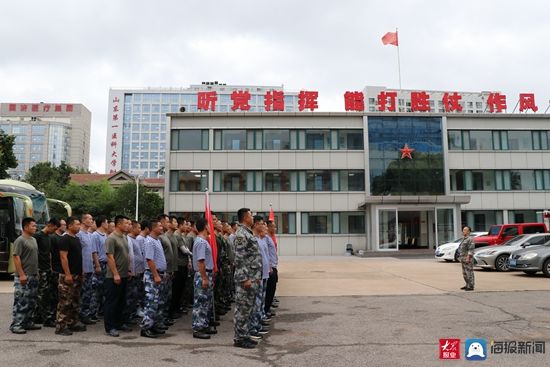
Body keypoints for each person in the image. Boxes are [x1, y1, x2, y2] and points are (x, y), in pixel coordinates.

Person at [233, 208, 263, 349]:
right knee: (242, 310)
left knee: (248, 309)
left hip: (252, 278)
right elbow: (240, 259)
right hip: (245, 280)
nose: (253, 217)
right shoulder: (241, 234)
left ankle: (244, 335)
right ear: (245, 217)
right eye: (251, 215)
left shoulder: (247, 233)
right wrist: (245, 278)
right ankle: (239, 338)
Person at [56, 216, 87, 336]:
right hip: (67, 275)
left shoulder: (76, 239)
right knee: (65, 301)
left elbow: (78, 257)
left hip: (77, 275)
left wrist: (81, 272)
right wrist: (67, 274)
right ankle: (61, 326)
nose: (79, 226)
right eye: (77, 224)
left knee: (75, 301)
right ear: (70, 226)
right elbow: (63, 257)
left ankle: (73, 322)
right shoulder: (65, 239)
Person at [10, 217, 40, 334]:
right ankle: (16, 324)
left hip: (33, 275)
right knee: (21, 301)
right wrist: (22, 274)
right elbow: (16, 257)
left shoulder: (33, 239)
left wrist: (36, 272)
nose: (35, 227)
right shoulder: (20, 240)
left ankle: (27, 322)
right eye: (33, 226)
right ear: (26, 227)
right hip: (23, 276)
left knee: (31, 301)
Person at [104, 215, 131, 337]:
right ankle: (110, 327)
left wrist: (128, 270)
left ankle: (119, 323)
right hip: (113, 276)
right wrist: (115, 274)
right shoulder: (111, 238)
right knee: (112, 302)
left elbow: (126, 255)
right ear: (118, 224)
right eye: (125, 223)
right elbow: (110, 257)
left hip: (124, 274)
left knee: (121, 301)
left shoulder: (124, 237)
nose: (127, 225)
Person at [140, 220, 167, 338]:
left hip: (159, 274)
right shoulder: (149, 241)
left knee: (158, 302)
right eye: (160, 225)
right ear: (153, 228)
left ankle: (154, 325)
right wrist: (155, 275)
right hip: (152, 275)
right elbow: (149, 259)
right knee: (151, 302)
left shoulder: (157, 240)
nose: (162, 227)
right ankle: (146, 328)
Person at [191, 217, 216, 339]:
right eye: (209, 225)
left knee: (206, 302)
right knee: (200, 303)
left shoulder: (204, 241)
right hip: (203, 274)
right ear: (206, 227)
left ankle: (204, 324)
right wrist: (204, 278)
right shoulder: (201, 242)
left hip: (207, 273)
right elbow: (201, 262)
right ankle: (198, 328)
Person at [33, 218, 59, 327]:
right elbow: (35, 253)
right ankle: (45, 318)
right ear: (49, 225)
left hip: (48, 268)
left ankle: (40, 317)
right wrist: (37, 269)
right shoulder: (38, 236)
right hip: (41, 269)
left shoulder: (49, 237)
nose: (54, 231)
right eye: (54, 228)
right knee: (42, 295)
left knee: (47, 294)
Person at [250, 216, 271, 339]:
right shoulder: (254, 240)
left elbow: (265, 256)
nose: (264, 227)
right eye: (262, 224)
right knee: (256, 302)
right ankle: (254, 326)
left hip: (263, 274)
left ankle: (258, 324)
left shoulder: (261, 239)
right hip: (257, 275)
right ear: (257, 225)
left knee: (260, 301)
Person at [77, 213, 98, 325]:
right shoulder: (79, 235)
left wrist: (97, 265)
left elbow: (94, 252)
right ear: (83, 220)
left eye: (91, 218)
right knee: (80, 293)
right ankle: (78, 316)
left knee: (88, 293)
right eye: (89, 219)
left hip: (90, 269)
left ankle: (85, 315)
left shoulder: (90, 235)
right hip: (82, 269)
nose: (91, 220)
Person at [125, 220, 144, 325]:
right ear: (133, 228)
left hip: (138, 272)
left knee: (136, 295)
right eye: (138, 228)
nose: (140, 230)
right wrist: (131, 270)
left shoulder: (136, 239)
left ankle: (133, 314)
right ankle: (128, 317)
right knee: (130, 295)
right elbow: (130, 256)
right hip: (133, 272)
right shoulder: (129, 239)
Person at [158, 214, 175, 327]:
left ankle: (164, 317)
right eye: (167, 222)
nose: (168, 224)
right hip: (162, 272)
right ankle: (160, 319)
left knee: (167, 296)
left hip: (168, 271)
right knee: (161, 297)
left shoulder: (165, 236)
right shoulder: (159, 237)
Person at [91, 216, 109, 317]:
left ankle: (101, 310)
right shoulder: (95, 235)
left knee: (104, 288)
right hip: (99, 263)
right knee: (96, 289)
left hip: (106, 264)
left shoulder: (105, 235)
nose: (108, 224)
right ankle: (93, 312)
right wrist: (97, 265)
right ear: (102, 223)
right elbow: (94, 251)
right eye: (106, 222)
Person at [264, 220, 279, 317]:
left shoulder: (270, 238)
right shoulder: (265, 238)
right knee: (268, 290)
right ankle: (265, 310)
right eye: (273, 226)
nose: (275, 228)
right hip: (269, 268)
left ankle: (268, 308)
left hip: (273, 266)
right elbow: (266, 254)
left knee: (272, 289)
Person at [458, 226, 475, 291]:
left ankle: (471, 286)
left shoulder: (470, 239)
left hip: (468, 259)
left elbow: (471, 249)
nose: (463, 231)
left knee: (469, 272)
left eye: (465, 230)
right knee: (464, 273)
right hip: (463, 258)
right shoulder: (464, 239)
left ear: (469, 231)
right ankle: (467, 284)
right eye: (463, 230)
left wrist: (468, 257)